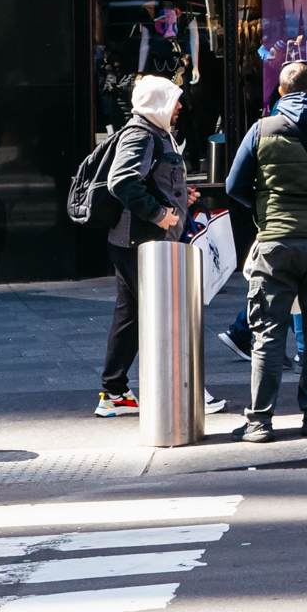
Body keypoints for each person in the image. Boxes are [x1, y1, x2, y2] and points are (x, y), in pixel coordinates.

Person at [226, 60, 307, 440]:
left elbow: (234, 186)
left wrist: (263, 209)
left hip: (276, 245)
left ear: (282, 92)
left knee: (268, 334)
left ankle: (259, 422)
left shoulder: (261, 130)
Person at [95, 74, 197, 417]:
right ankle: (185, 388)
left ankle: (114, 391)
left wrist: (180, 196)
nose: (179, 106)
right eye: (173, 99)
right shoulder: (141, 134)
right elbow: (122, 181)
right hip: (139, 239)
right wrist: (160, 214)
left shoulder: (155, 131)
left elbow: (152, 180)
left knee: (132, 315)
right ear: (158, 102)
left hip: (136, 239)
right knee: (165, 314)